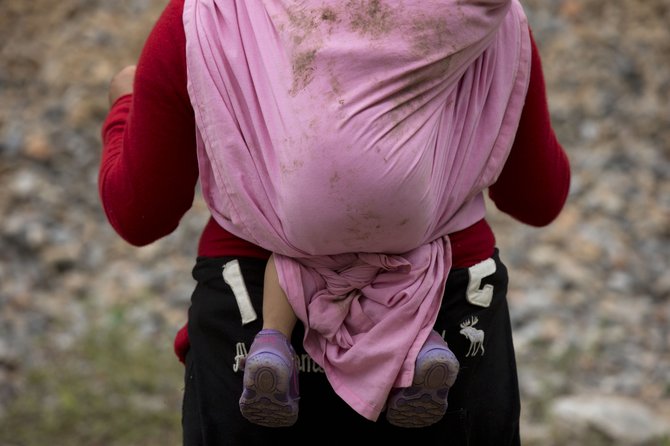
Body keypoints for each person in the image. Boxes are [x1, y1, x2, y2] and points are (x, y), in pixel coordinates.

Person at [99, 0, 571, 444]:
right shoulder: (489, 20)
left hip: (251, 312)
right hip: (452, 310)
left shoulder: (208, 16)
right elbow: (538, 198)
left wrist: (125, 104)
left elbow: (140, 213)